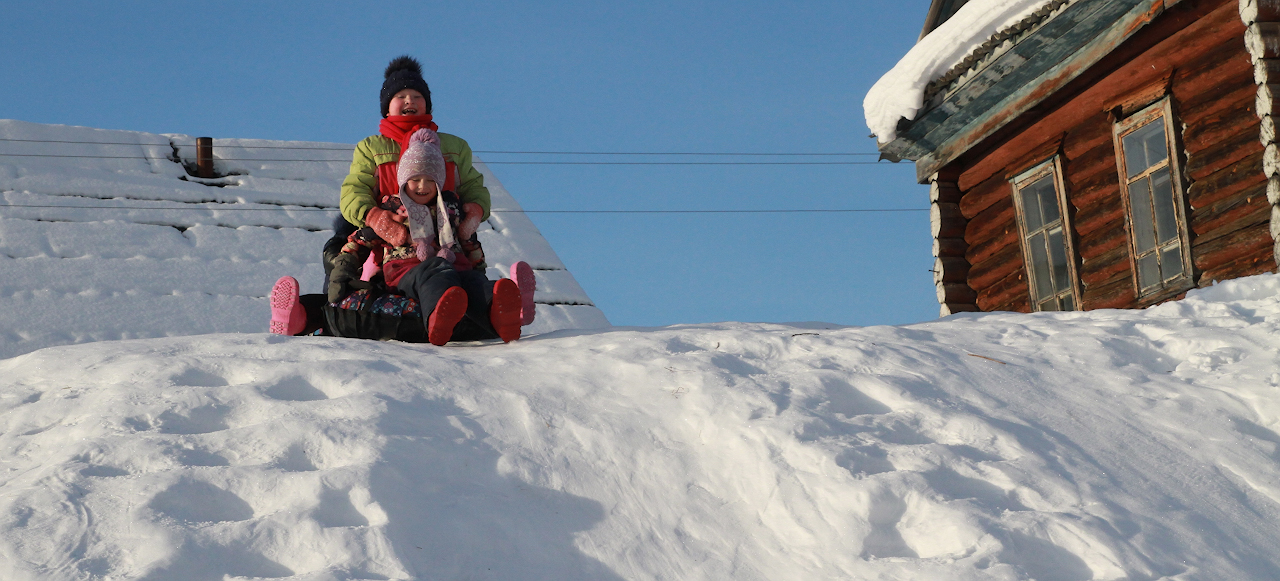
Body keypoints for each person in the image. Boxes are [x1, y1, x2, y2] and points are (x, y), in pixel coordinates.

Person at [267, 54, 537, 343]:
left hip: (446, 236)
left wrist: (474, 211)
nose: (410, 101)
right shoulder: (373, 147)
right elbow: (354, 191)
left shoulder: (454, 148)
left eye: (417, 96)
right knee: (346, 279)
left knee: (463, 281)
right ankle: (302, 314)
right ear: (386, 107)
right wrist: (374, 218)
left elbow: (473, 185)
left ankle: (503, 307)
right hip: (389, 245)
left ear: (428, 104)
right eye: (401, 96)